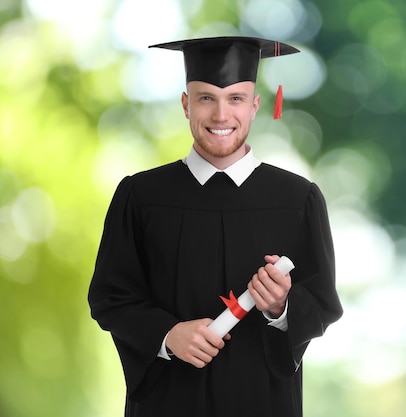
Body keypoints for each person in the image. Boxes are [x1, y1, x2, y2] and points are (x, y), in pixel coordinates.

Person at [88, 36, 343, 417]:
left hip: (264, 403)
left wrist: (281, 307)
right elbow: (109, 298)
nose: (221, 115)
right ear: (186, 105)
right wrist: (167, 335)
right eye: (206, 98)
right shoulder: (140, 196)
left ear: (255, 106)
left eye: (236, 98)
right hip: (166, 404)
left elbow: (323, 303)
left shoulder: (298, 200)